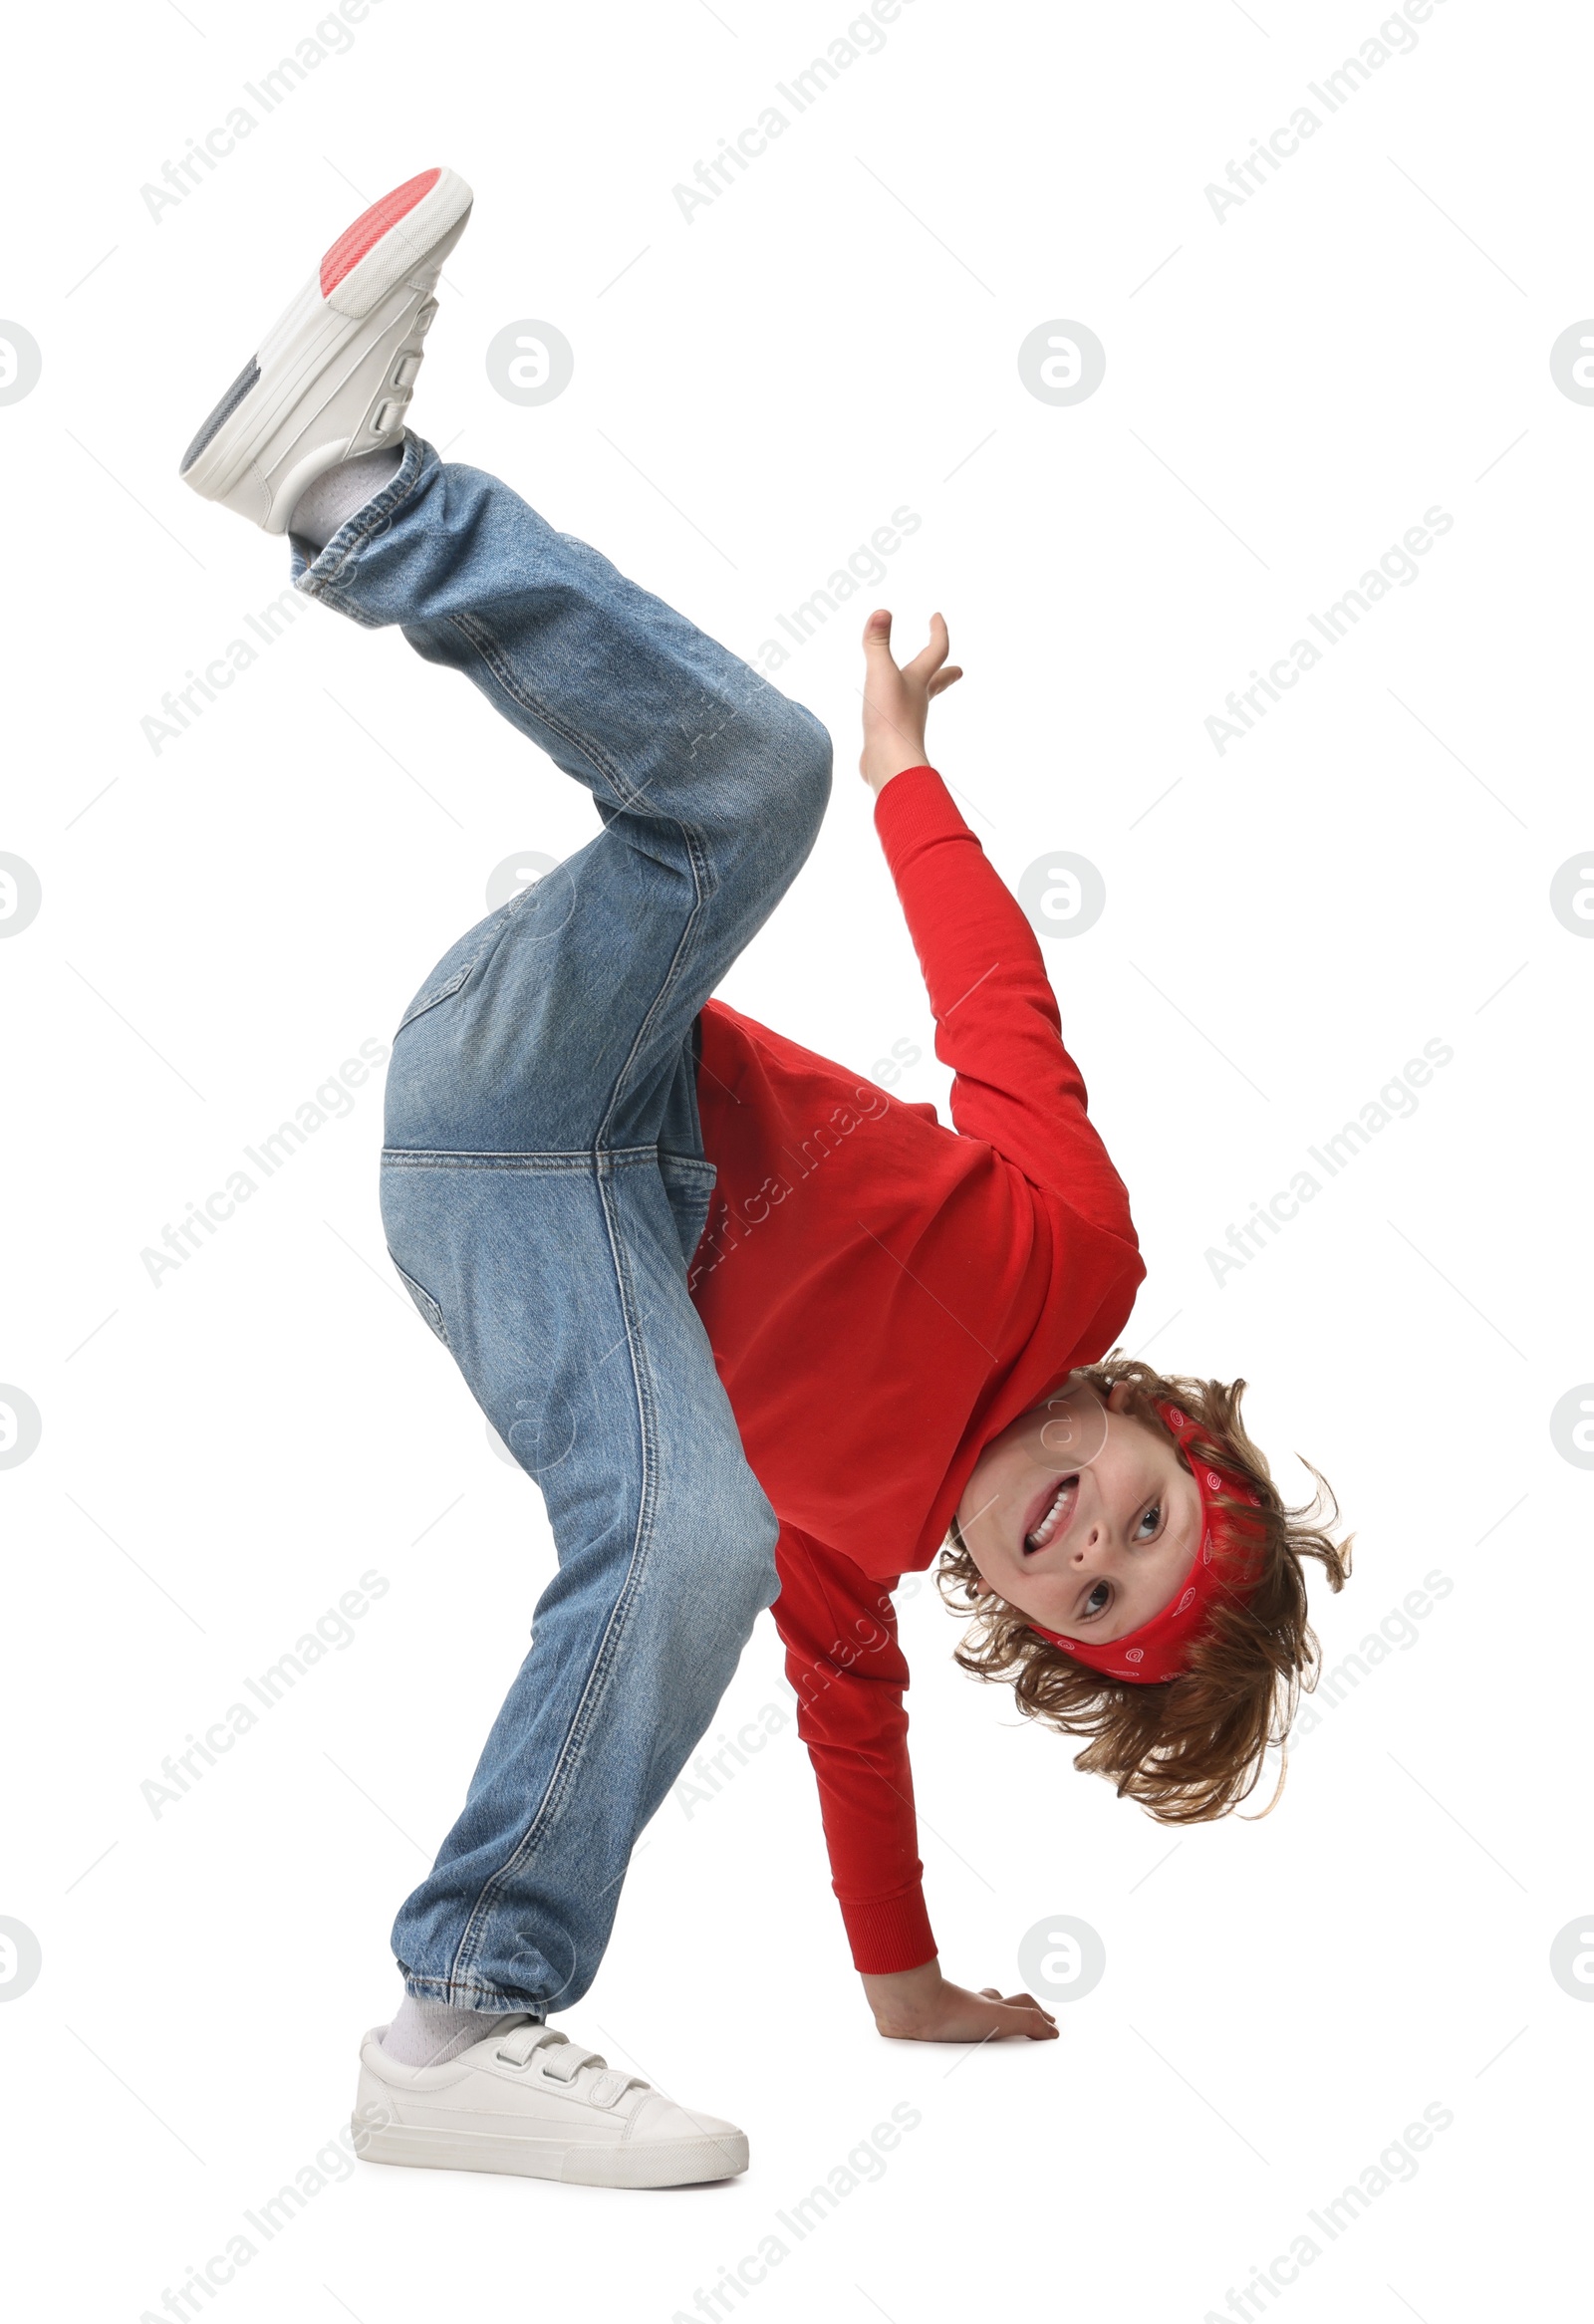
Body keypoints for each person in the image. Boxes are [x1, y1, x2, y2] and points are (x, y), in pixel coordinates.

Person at [179, 168, 1350, 2190]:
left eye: (1089, 1596)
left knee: (688, 1536)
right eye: (1144, 1517)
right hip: (565, 1050)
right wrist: (907, 772)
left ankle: (453, 2020)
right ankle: (360, 500)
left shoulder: (839, 1551)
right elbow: (1003, 1016)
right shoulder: (1069, 1252)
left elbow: (852, 1751)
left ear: (1017, 1615)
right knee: (757, 779)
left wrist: (901, 1992)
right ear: (1154, 1418)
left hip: (513, 1218)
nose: (1088, 1542)